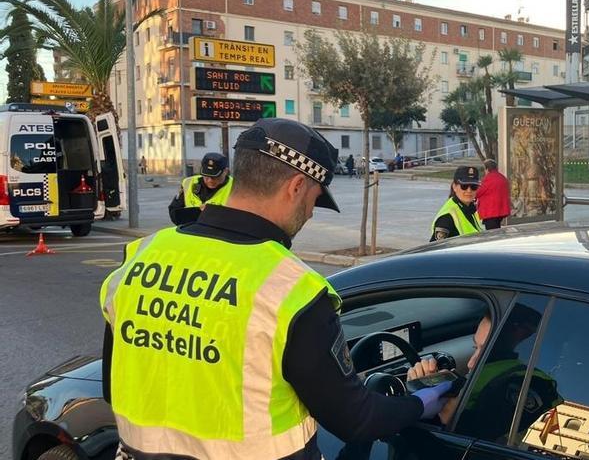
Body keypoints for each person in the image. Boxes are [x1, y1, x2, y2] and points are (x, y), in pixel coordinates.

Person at [99, 118, 451, 459]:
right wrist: (423, 400)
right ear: (296, 186)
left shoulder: (141, 256)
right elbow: (355, 419)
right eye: (315, 198)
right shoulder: (290, 290)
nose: (311, 214)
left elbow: (113, 384)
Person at [407, 304, 561, 443]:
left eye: (486, 351)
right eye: (476, 347)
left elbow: (477, 439)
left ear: (522, 335)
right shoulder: (499, 368)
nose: (471, 363)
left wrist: (436, 404)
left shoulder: (534, 384)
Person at [167, 152, 234, 225]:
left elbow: (238, 220)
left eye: (215, 176)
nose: (210, 180)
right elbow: (174, 214)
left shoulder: (236, 187)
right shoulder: (188, 183)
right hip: (190, 232)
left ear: (225, 171)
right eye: (206, 175)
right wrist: (197, 211)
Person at [430, 166, 483, 241]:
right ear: (454, 187)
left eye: (473, 186)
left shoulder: (470, 209)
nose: (469, 190)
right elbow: (435, 249)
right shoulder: (447, 217)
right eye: (464, 186)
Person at [476, 159, 511, 230]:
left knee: (492, 233)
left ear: (487, 169)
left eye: (484, 169)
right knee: (497, 229)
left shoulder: (488, 179)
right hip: (500, 210)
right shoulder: (502, 177)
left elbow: (478, 193)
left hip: (490, 211)